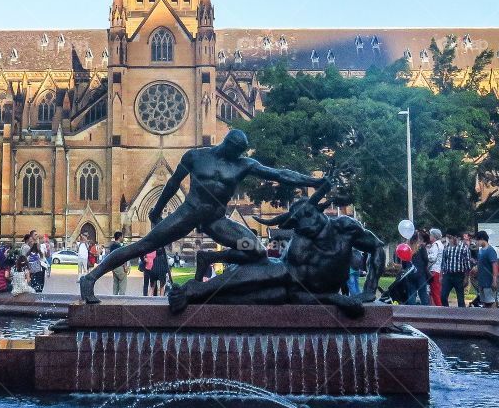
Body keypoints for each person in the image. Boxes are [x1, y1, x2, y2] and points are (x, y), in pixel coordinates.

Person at [78, 129, 328, 303]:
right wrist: (156, 210)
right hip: (189, 213)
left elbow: (280, 174)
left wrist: (314, 182)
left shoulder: (244, 164)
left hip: (215, 221)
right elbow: (173, 183)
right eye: (236, 150)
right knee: (143, 245)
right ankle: (90, 278)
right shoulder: (196, 156)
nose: (239, 155)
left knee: (255, 250)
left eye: (241, 152)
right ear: (228, 144)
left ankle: (208, 259)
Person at [439, 230, 471, 307]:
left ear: (456, 237)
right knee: (443, 296)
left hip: (459, 275)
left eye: (450, 237)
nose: (449, 239)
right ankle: (446, 311)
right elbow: (443, 262)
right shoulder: (446, 247)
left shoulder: (464, 248)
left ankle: (461, 313)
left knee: (460, 299)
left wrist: (466, 278)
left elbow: (467, 264)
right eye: (447, 238)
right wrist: (441, 275)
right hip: (448, 275)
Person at [474, 231, 499, 308]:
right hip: (482, 281)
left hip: (489, 281)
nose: (476, 242)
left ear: (482, 239)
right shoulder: (481, 251)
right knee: (484, 302)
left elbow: (494, 265)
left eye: (477, 240)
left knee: (491, 301)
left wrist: (494, 280)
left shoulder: (490, 250)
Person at [406, 231, 431, 305]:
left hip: (410, 273)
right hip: (421, 273)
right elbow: (426, 259)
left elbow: (404, 261)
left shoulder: (407, 248)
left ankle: (411, 310)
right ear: (417, 238)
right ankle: (426, 310)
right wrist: (424, 267)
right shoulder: (421, 247)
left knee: (411, 293)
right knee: (423, 293)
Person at [426, 228, 444, 307]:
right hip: (438, 270)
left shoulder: (436, 245)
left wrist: (426, 256)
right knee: (436, 291)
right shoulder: (440, 244)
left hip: (434, 270)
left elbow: (433, 258)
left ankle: (439, 308)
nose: (430, 236)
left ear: (434, 236)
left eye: (431, 235)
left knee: (435, 292)